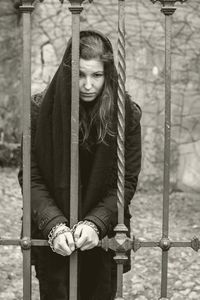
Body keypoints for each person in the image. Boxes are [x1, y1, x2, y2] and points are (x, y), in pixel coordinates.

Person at [18, 30, 142, 300]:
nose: (88, 85)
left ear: (107, 74)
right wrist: (54, 224)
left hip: (106, 234)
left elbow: (126, 180)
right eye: (80, 75)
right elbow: (30, 176)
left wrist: (96, 223)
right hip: (52, 234)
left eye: (96, 75)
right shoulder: (41, 110)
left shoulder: (126, 115)